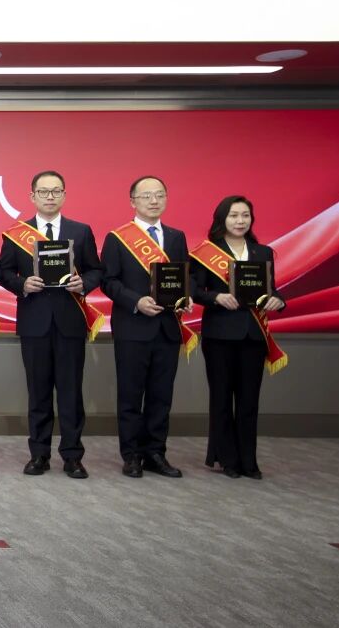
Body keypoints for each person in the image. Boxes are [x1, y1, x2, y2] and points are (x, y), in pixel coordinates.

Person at [0, 170, 104, 480]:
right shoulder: (15, 233)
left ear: (64, 195)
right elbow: (4, 272)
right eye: (43, 192)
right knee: (38, 392)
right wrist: (22, 284)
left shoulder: (80, 231)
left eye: (56, 191)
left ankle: (72, 455)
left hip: (70, 321)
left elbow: (96, 271)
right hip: (35, 322)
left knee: (71, 392)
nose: (49, 196)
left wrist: (83, 283)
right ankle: (39, 454)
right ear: (32, 196)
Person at [191, 195, 287, 480]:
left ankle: (249, 460)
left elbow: (272, 288)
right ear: (222, 219)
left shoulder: (262, 252)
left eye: (245, 215)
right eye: (234, 215)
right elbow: (194, 290)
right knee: (221, 398)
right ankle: (227, 459)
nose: (240, 221)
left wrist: (278, 300)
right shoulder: (206, 252)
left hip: (253, 335)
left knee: (249, 400)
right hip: (219, 334)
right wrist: (216, 297)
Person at [101, 176, 191, 479]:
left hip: (167, 328)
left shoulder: (176, 237)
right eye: (147, 196)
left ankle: (156, 452)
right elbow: (108, 282)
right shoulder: (117, 238)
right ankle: (131, 455)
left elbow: (183, 277)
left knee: (161, 395)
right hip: (132, 326)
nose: (154, 201)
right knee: (130, 394)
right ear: (133, 201)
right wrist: (136, 301)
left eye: (160, 195)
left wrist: (185, 298)